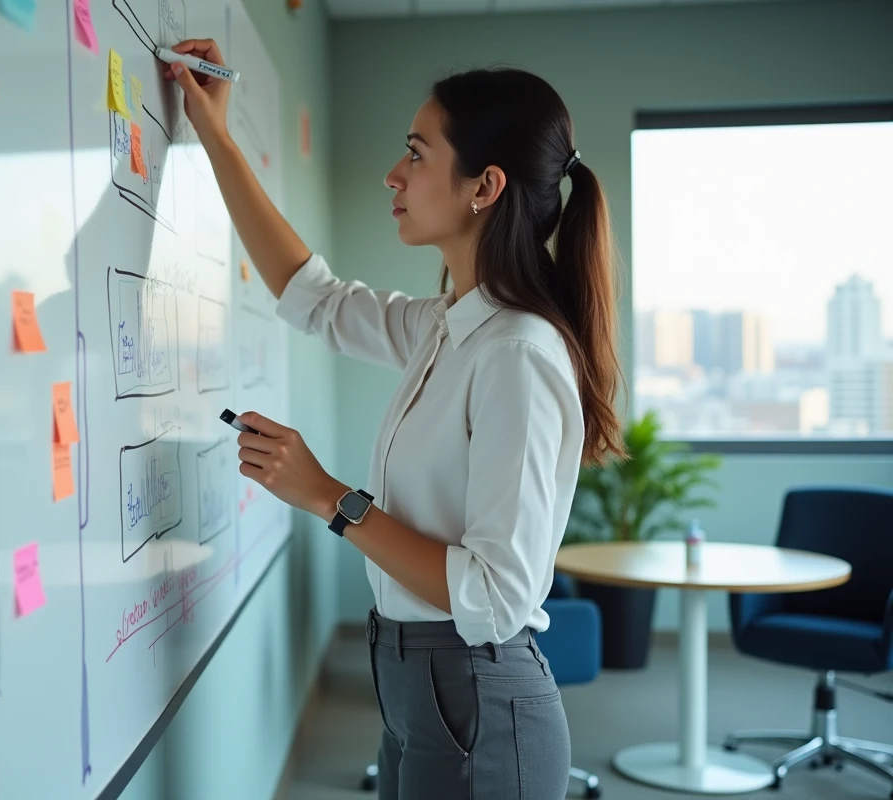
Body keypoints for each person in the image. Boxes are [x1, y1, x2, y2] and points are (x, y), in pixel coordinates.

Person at [166, 40, 625, 799]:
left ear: (485, 186)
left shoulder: (518, 355)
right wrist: (215, 135)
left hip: (477, 697)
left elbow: (496, 594)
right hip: (414, 683)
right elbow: (311, 294)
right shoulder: (446, 327)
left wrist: (329, 497)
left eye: (416, 153)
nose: (394, 173)